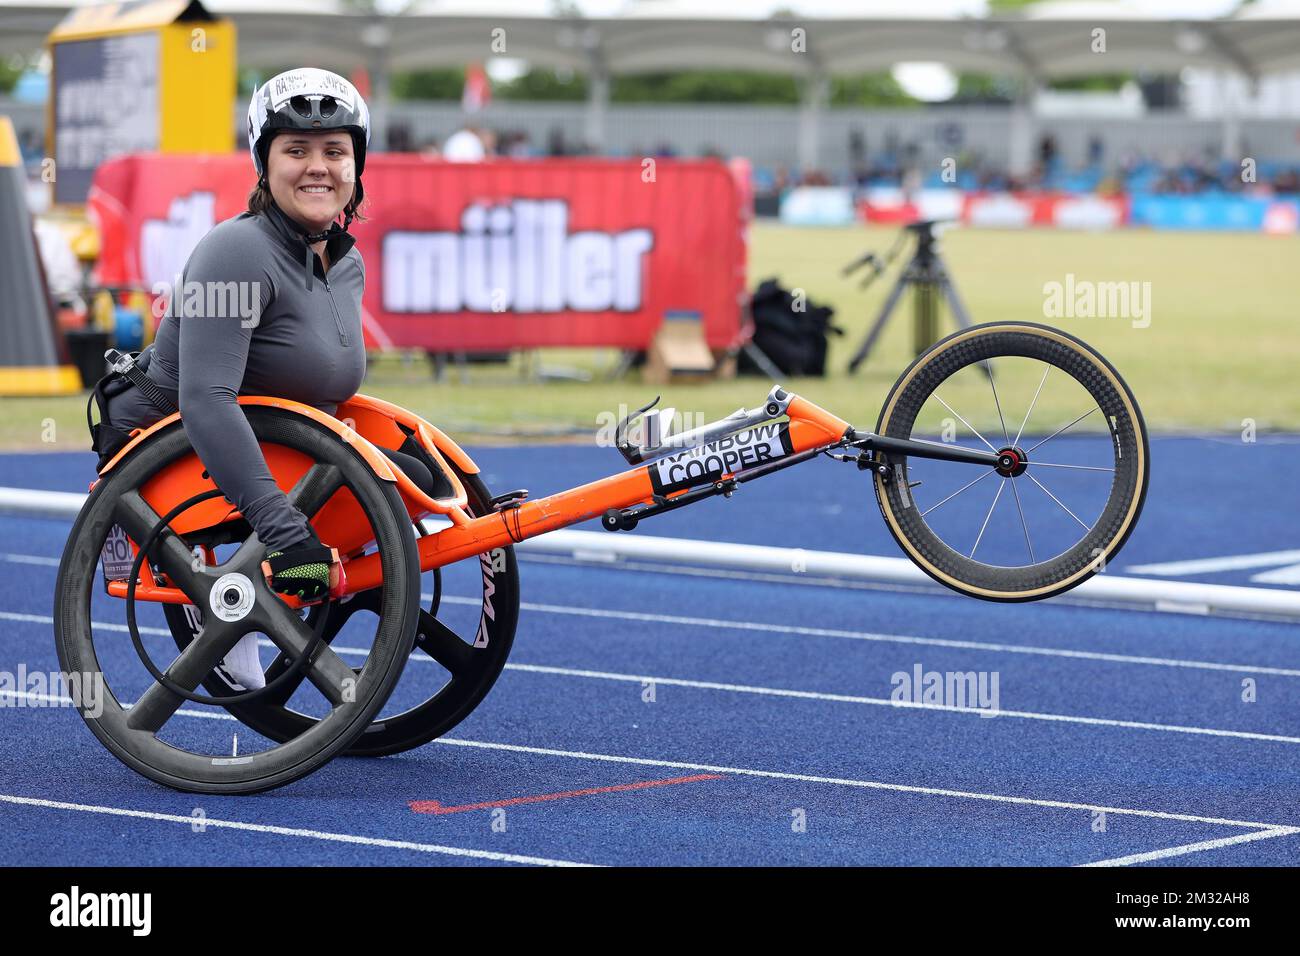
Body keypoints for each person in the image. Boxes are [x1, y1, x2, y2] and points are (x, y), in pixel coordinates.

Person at [100, 68, 440, 688]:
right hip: (172, 458)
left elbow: (317, 390)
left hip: (272, 442)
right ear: (264, 164)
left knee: (420, 479)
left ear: (357, 167)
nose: (319, 167)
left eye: (336, 151)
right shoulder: (234, 252)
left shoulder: (344, 259)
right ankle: (237, 606)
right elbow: (205, 399)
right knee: (385, 490)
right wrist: (285, 535)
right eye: (296, 150)